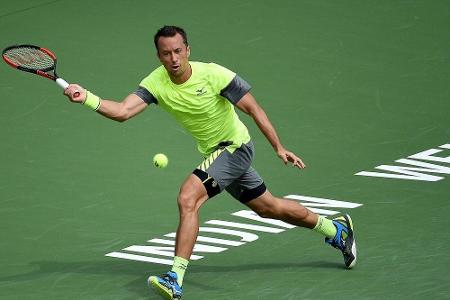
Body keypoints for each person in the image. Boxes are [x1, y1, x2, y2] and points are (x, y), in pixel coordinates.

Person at [64, 25, 357, 300]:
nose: (173, 58)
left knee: (187, 197)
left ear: (188, 50)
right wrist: (87, 97)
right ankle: (335, 230)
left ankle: (175, 278)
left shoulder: (214, 74)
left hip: (235, 148)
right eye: (166, 53)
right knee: (270, 209)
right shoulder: (155, 82)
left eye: (178, 51)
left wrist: (279, 147)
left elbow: (254, 108)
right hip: (216, 154)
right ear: (159, 56)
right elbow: (123, 111)